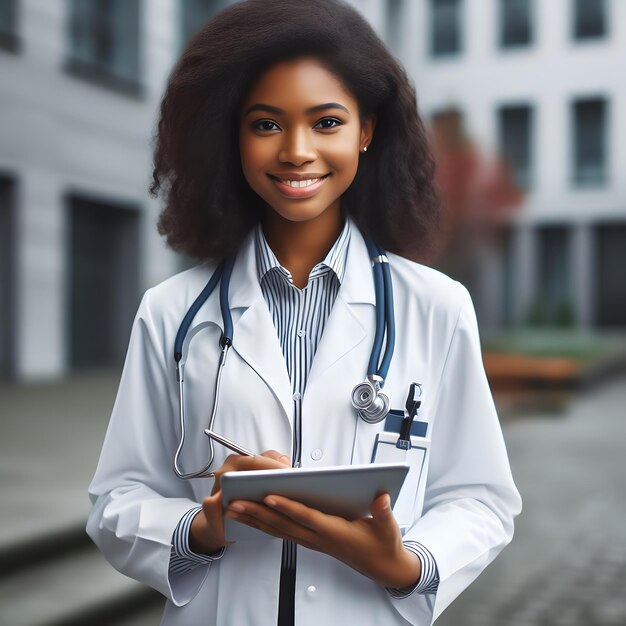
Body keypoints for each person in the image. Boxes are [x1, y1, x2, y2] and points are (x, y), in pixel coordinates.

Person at [86, 1, 522, 625]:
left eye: (326, 122)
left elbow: (480, 498)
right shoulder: (171, 313)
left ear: (366, 130)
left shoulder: (437, 308)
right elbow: (116, 500)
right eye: (265, 124)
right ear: (231, 135)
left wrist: (407, 562)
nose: (295, 151)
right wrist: (202, 525)